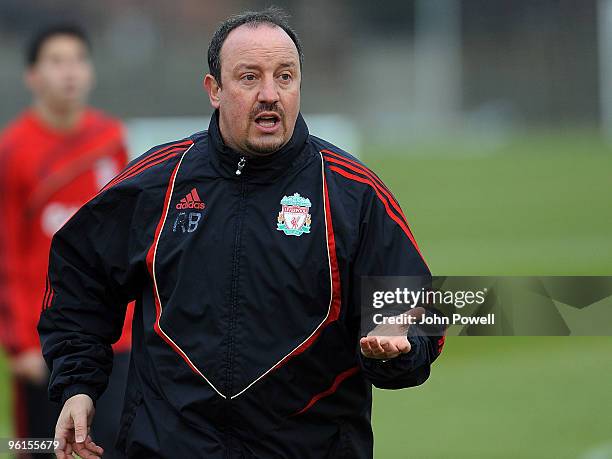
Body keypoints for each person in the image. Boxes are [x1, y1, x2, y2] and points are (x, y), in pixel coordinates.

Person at [38, 8, 445, 459]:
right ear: (214, 89)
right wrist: (78, 384)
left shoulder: (354, 195)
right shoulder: (159, 181)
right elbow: (80, 277)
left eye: (285, 77)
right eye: (250, 77)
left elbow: (418, 311)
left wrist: (395, 349)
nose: (270, 94)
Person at [0, 24, 132, 458]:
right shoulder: (12, 149)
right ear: (33, 76)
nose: (69, 72)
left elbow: (127, 241)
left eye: (77, 60)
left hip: (115, 337)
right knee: (39, 445)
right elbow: (6, 253)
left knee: (111, 442)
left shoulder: (111, 140)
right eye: (56, 62)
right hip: (42, 340)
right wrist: (19, 343)